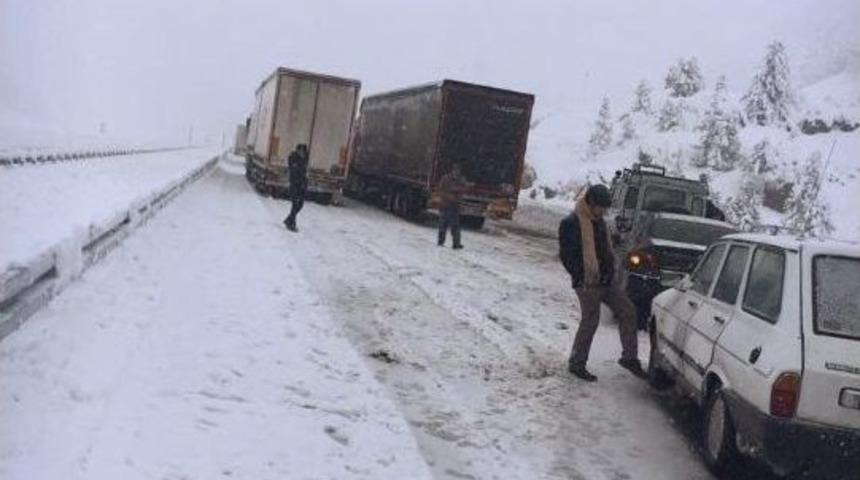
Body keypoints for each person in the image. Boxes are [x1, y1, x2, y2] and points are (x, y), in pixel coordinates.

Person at [558, 184, 646, 382]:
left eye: (606, 208)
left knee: (628, 311)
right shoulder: (571, 223)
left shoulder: (600, 223)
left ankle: (629, 357)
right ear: (591, 203)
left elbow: (606, 251)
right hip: (586, 282)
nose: (604, 211)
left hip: (607, 281)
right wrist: (581, 276)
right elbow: (567, 256)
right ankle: (577, 363)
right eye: (601, 207)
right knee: (590, 320)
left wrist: (609, 271)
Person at [437, 164, 469, 249]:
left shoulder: (461, 180)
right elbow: (441, 190)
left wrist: (456, 190)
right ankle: (440, 241)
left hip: (455, 206)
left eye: (458, 171)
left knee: (455, 226)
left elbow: (464, 188)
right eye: (455, 170)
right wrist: (448, 195)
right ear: (452, 170)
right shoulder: (445, 179)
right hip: (445, 205)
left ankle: (456, 243)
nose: (456, 172)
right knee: (442, 224)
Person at [283, 144, 309, 232]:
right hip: (294, 185)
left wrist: (305, 182)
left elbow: (305, 173)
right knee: (295, 204)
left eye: (303, 151)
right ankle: (292, 224)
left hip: (302, 186)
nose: (302, 153)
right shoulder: (293, 158)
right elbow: (294, 171)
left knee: (300, 205)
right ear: (297, 151)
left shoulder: (304, 160)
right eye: (300, 151)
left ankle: (288, 219)